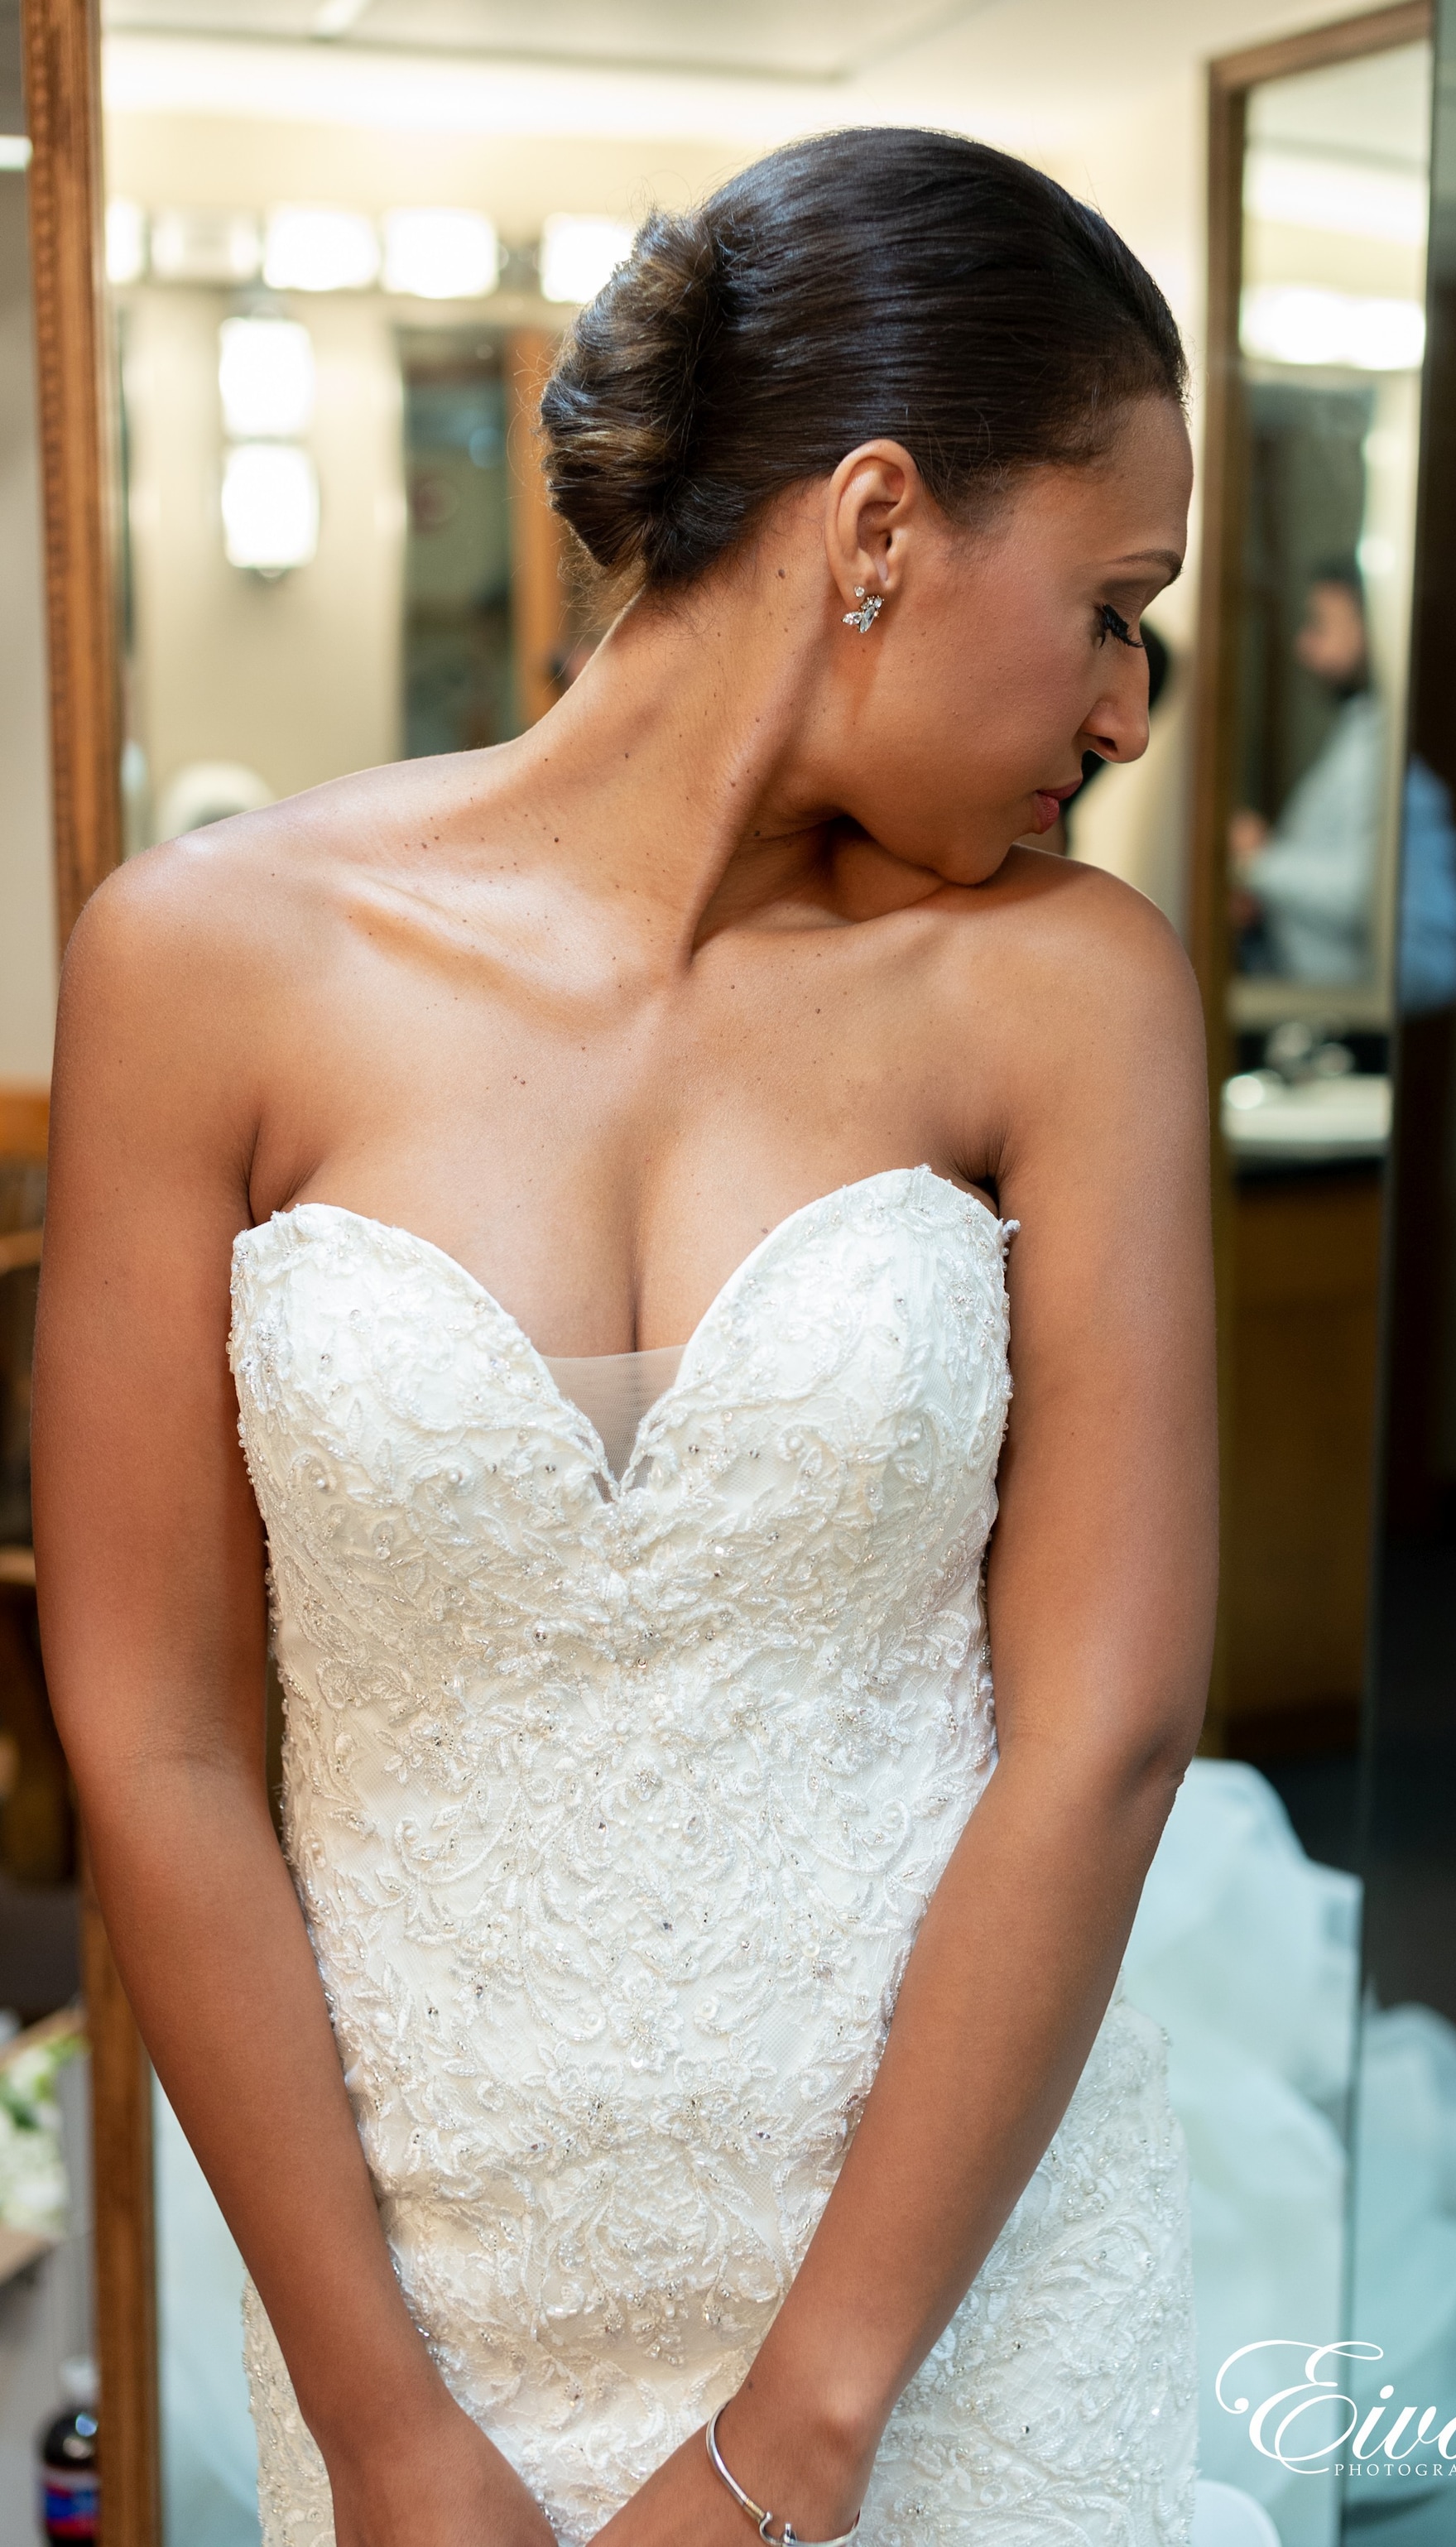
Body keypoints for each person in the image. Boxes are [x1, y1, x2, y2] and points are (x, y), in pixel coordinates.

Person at [33, 130, 1213, 2547]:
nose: (1118, 714)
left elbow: (1103, 1729)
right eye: (1109, 605)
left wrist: (794, 2437)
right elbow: (149, 1726)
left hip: (955, 2302)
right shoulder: (200, 957)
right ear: (876, 523)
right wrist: (381, 2425)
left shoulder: (1068, 989)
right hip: (429, 2298)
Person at [1232, 560, 1456, 1010]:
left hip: (1386, 1001)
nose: (1303, 645)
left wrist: (1256, 860)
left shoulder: (1384, 750)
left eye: (1320, 625)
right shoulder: (1358, 734)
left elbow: (1367, 890)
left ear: (1374, 628)